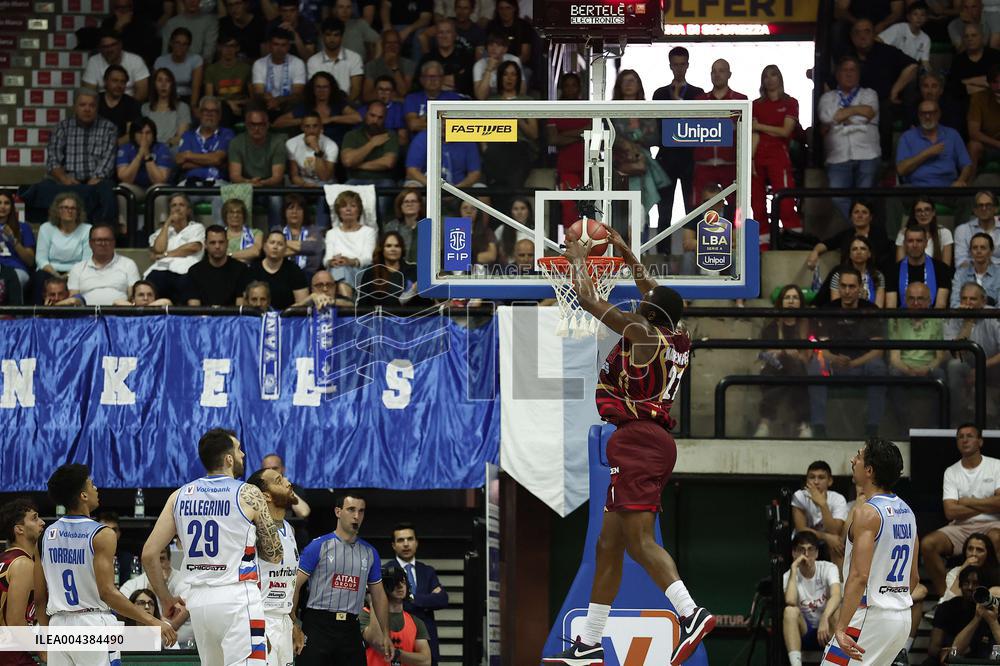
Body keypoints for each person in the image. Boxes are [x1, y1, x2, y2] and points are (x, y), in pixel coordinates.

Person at [541, 228, 714, 665]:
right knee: (607, 546)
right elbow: (652, 289)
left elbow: (586, 299)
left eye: (641, 304)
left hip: (637, 439)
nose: (636, 303)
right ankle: (590, 641)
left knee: (638, 542)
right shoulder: (678, 339)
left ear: (648, 313)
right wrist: (624, 253)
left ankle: (690, 614)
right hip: (650, 440)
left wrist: (578, 257)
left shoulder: (640, 332)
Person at [140, 428, 283, 665]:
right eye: (238, 450)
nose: (243, 454)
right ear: (228, 459)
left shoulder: (180, 496)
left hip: (199, 601)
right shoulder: (248, 493)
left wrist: (165, 599)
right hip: (237, 597)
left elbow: (148, 554)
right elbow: (275, 554)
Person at [38, 464, 177, 664]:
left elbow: (40, 598)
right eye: (91, 484)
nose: (96, 489)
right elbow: (108, 593)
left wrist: (45, 640)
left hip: (58, 625)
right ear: (83, 495)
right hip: (93, 624)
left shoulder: (44, 537)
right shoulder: (102, 534)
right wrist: (153, 621)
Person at [820, 437, 916, 664]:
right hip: (901, 618)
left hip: (869, 615)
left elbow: (859, 575)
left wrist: (841, 628)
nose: (853, 460)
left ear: (870, 470)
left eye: (859, 456)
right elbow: (913, 578)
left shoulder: (867, 512)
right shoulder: (907, 511)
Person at [293, 493, 393, 665]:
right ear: (338, 512)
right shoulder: (318, 546)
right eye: (351, 510)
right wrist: (293, 623)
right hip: (318, 625)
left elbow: (379, 595)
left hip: (350, 628)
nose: (356, 516)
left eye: (361, 511)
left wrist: (386, 634)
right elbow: (294, 585)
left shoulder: (370, 553)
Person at [807, 267, 887, 439]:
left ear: (859, 288)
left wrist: (855, 363)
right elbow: (821, 348)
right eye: (843, 286)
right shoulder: (828, 309)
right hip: (834, 364)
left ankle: (873, 428)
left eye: (851, 286)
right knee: (815, 365)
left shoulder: (871, 310)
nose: (847, 291)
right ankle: (818, 427)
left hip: (862, 363)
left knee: (878, 367)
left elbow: (878, 349)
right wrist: (834, 359)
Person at [922, 424, 1000, 595]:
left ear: (980, 441)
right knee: (928, 544)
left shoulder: (996, 466)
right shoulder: (951, 472)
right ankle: (947, 598)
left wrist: (966, 502)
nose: (964, 440)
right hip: (960, 526)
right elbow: (950, 511)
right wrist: (986, 503)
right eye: (960, 437)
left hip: (992, 524)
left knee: (997, 537)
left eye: (969, 436)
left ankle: (989, 594)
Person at [246, 467, 302, 666]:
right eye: (279, 481)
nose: (288, 483)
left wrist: (294, 623)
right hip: (260, 620)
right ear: (266, 496)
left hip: (283, 620)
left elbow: (291, 582)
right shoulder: (251, 531)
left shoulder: (290, 529)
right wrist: (255, 630)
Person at [817, 56, 881, 223]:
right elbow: (826, 117)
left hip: (868, 153)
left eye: (853, 70)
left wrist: (840, 117)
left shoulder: (870, 94)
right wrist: (856, 112)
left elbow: (868, 113)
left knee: (865, 198)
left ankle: (862, 232)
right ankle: (860, 228)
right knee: (837, 196)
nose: (849, 74)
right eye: (845, 70)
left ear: (859, 74)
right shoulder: (827, 98)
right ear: (837, 74)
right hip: (838, 156)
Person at [42, 88, 119, 224]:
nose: (87, 109)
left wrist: (96, 178)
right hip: (68, 180)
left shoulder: (109, 128)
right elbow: (53, 159)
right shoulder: (62, 128)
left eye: (91, 105)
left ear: (97, 108)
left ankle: (104, 232)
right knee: (46, 187)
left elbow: (109, 159)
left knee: (106, 191)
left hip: (98, 181)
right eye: (82, 105)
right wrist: (63, 178)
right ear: (75, 107)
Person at [652, 46, 706, 227]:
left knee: (692, 208)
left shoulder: (698, 93)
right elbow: (657, 125)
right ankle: (662, 253)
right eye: (676, 65)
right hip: (666, 156)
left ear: (688, 65)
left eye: (682, 64)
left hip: (690, 157)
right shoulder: (659, 94)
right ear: (670, 66)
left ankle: (693, 251)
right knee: (664, 209)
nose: (679, 68)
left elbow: (701, 125)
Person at [752, 64, 802, 247]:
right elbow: (753, 133)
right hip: (757, 154)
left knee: (785, 201)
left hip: (778, 155)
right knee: (757, 203)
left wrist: (760, 127)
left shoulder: (790, 102)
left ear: (780, 78)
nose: (770, 79)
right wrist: (750, 159)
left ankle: (795, 239)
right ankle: (762, 243)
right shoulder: (756, 105)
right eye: (766, 76)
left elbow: (785, 131)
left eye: (773, 75)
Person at [755, 284, 813, 438]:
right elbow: (765, 353)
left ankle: (765, 422)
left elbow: (808, 356)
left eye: (795, 298)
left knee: (794, 369)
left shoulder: (806, 325)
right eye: (787, 298)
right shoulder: (772, 326)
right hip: (776, 367)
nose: (791, 301)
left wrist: (788, 354)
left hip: (800, 368)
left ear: (800, 301)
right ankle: (802, 424)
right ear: (781, 302)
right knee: (774, 370)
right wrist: (785, 352)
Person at [692, 59, 748, 207]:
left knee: (735, 208)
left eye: (721, 70)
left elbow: (744, 132)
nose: (717, 74)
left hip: (730, 164)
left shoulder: (741, 100)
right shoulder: (700, 101)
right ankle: (698, 231)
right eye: (714, 71)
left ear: (729, 74)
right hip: (703, 165)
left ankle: (735, 232)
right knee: (699, 208)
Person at [390, 523, 447, 666]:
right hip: (398, 639)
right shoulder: (387, 571)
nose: (406, 544)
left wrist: (410, 598)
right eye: (400, 540)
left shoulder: (428, 571)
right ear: (393, 545)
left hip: (428, 641)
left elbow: (442, 600)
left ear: (417, 542)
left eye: (410, 539)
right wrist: (428, 601)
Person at [783, 531, 841, 666]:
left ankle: (836, 663)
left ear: (816, 553)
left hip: (827, 628)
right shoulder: (788, 576)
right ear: (794, 553)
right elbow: (790, 601)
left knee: (837, 610)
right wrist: (793, 567)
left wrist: (824, 618)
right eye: (801, 550)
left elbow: (837, 595)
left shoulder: (828, 568)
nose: (806, 554)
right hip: (805, 630)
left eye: (810, 550)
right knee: (789, 612)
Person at [0, 498, 46, 666]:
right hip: (9, 654)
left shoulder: (5, 560)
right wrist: (42, 651)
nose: (41, 523)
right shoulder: (23, 563)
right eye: (34, 518)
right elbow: (15, 621)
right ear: (19, 529)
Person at [945, 286, 1000, 424]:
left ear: (983, 301)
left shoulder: (993, 316)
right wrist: (967, 322)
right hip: (968, 367)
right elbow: (957, 354)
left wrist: (981, 368)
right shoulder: (956, 315)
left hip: (994, 366)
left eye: (973, 299)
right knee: (954, 366)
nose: (967, 303)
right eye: (964, 298)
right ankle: (957, 419)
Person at [360, 563, 433, 666]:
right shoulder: (365, 614)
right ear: (384, 586)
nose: (400, 586)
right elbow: (377, 641)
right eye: (394, 582)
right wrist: (374, 602)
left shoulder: (415, 622)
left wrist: (395, 653)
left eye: (403, 582)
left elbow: (425, 661)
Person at [227, 107, 287, 225]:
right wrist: (249, 183)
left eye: (261, 125)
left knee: (275, 199)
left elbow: (277, 177)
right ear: (246, 125)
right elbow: (235, 176)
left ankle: (276, 234)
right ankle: (242, 238)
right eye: (252, 125)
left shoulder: (277, 142)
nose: (257, 128)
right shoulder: (236, 142)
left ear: (268, 125)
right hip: (245, 187)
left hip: (270, 187)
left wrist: (260, 184)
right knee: (236, 200)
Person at [483, 60, 537, 189]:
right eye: (505, 74)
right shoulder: (491, 101)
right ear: (500, 77)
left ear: (518, 78)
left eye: (513, 74)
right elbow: (482, 130)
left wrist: (517, 117)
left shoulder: (527, 101)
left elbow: (534, 134)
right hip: (496, 148)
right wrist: (484, 148)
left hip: (520, 147)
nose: (509, 78)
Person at [928, 565, 999, 661]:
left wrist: (992, 621)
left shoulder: (991, 611)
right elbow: (953, 651)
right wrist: (977, 617)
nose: (970, 587)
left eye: (975, 583)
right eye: (966, 583)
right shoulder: (947, 607)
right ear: (960, 585)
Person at [144, 193, 206, 303]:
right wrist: (167, 224)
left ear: (188, 210)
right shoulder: (160, 232)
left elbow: (193, 247)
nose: (177, 208)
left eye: (181, 205)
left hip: (185, 272)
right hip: (160, 270)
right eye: (174, 205)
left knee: (189, 284)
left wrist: (166, 255)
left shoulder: (197, 228)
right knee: (148, 284)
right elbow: (158, 249)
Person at [896, 100, 973, 187]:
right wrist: (927, 153)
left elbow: (967, 165)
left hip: (948, 188)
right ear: (918, 115)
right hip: (916, 188)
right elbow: (901, 170)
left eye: (931, 113)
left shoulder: (952, 134)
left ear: (938, 114)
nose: (927, 116)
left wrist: (960, 181)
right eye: (923, 113)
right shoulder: (907, 137)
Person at [806, 199, 894, 275]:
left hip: (873, 277)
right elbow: (827, 244)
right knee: (835, 274)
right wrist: (815, 252)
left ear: (870, 217)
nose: (860, 216)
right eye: (856, 212)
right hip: (847, 278)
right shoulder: (846, 234)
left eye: (864, 212)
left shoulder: (879, 235)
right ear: (851, 216)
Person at [273, 71, 361, 146]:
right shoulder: (306, 106)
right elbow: (278, 123)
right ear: (313, 89)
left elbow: (357, 118)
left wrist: (331, 119)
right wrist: (305, 121)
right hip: (309, 149)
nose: (321, 90)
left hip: (337, 148)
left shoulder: (338, 104)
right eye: (318, 87)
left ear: (331, 89)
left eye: (325, 87)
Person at [791, 460, 849, 567]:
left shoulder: (838, 499)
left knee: (837, 544)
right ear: (807, 480)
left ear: (830, 481)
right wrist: (826, 537)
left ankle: (839, 582)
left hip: (828, 544)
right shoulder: (800, 496)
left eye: (821, 477)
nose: (816, 482)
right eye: (812, 477)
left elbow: (835, 530)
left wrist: (823, 504)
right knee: (805, 544)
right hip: (805, 540)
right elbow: (801, 530)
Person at [65, 224, 141, 305]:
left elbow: (133, 296)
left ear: (114, 242)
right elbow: (73, 299)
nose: (103, 243)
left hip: (119, 315)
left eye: (107, 240)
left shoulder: (128, 264)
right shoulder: (78, 268)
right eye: (98, 240)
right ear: (90, 243)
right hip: (87, 316)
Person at [886, 222, 954, 308]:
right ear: (904, 244)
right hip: (902, 320)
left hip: (933, 319)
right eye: (910, 241)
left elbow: (941, 305)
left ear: (926, 243)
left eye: (919, 241)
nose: (915, 245)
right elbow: (891, 307)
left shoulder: (941, 269)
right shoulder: (893, 271)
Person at [35, 192, 92, 289]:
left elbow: (86, 261)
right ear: (57, 210)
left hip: (77, 272)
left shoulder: (87, 229)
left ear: (78, 212)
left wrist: (68, 276)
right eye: (65, 207)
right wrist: (57, 276)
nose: (69, 211)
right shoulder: (46, 228)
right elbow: (41, 260)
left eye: (73, 208)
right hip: (49, 271)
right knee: (39, 278)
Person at [185, 224, 252, 306]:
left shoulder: (241, 269)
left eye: (221, 242)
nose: (217, 246)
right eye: (213, 243)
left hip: (232, 318)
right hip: (204, 317)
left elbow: (240, 308)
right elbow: (194, 308)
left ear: (227, 243)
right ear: (205, 244)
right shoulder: (194, 271)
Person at [324, 191, 377, 292]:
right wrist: (332, 262)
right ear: (338, 211)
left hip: (361, 271)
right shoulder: (331, 233)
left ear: (359, 210)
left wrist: (351, 261)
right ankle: (348, 302)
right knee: (339, 269)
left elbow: (369, 258)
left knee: (341, 270)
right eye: (344, 206)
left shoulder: (368, 232)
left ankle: (346, 303)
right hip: (336, 270)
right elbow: (327, 258)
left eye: (353, 206)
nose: (348, 209)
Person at [116, 117, 175, 204]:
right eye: (140, 133)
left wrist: (147, 154)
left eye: (148, 133)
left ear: (153, 135)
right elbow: (125, 178)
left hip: (154, 188)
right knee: (123, 189)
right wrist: (140, 155)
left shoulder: (162, 148)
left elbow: (160, 179)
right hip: (136, 188)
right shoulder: (125, 148)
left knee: (159, 191)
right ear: (134, 135)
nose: (144, 137)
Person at [82, 28, 150, 102]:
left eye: (113, 45)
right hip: (101, 108)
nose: (109, 50)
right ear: (100, 48)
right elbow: (88, 94)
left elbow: (142, 94)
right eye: (105, 47)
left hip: (130, 106)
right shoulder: (93, 61)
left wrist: (128, 108)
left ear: (120, 44)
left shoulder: (136, 60)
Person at [307, 17, 364, 104]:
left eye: (336, 35)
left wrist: (343, 107)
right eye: (328, 35)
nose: (332, 39)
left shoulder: (355, 58)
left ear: (342, 36)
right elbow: (314, 90)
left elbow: (356, 89)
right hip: (322, 106)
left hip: (348, 105)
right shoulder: (313, 61)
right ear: (322, 36)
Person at [818, 235, 886, 307]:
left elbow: (878, 308)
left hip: (869, 316)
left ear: (869, 254)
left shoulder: (878, 276)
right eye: (854, 249)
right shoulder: (838, 275)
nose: (858, 252)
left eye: (863, 249)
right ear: (849, 254)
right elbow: (837, 305)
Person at [252, 29, 307, 117]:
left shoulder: (297, 63)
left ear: (288, 46)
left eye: (283, 45)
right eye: (276, 44)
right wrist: (267, 98)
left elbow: (297, 93)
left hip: (288, 103)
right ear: (269, 46)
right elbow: (259, 92)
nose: (279, 49)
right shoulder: (259, 64)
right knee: (253, 103)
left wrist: (279, 100)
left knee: (298, 103)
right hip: (267, 103)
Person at [250, 230, 310, 309]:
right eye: (272, 242)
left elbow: (303, 304)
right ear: (264, 247)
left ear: (285, 249)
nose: (275, 247)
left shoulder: (294, 270)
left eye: (280, 244)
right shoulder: (253, 269)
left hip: (287, 318)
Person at [204, 32, 253, 126]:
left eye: (232, 46)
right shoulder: (211, 69)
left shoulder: (245, 68)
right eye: (225, 46)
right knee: (223, 109)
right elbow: (209, 98)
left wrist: (237, 102)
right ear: (219, 48)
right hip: (221, 106)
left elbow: (253, 98)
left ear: (237, 48)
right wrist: (228, 103)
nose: (229, 50)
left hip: (241, 104)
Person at [356, 232, 417, 306]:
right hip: (379, 316)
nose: (393, 249)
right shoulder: (371, 271)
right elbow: (363, 303)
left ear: (402, 249)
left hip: (411, 316)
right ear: (382, 249)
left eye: (397, 246)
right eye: (388, 246)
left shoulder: (413, 270)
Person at [416, 17, 474, 96]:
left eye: (448, 32)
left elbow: (467, 84)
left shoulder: (466, 57)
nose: (444, 36)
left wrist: (434, 81)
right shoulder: (427, 58)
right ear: (436, 35)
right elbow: (419, 84)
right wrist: (455, 78)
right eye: (441, 32)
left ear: (455, 35)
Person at [404, 61, 462, 134]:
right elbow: (413, 125)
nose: (432, 80)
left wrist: (424, 120)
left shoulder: (453, 98)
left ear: (442, 79)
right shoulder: (412, 98)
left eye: (436, 77)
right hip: (421, 143)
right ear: (421, 80)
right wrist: (441, 123)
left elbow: (455, 126)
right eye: (428, 77)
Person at [894, 197, 954, 267]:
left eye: (927, 209)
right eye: (919, 210)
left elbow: (945, 269)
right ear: (914, 214)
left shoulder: (945, 233)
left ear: (933, 212)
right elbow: (900, 267)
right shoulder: (903, 234)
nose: (923, 214)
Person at [277, 194, 326, 279]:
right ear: (284, 212)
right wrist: (305, 248)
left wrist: (283, 242)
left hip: (309, 274)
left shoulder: (315, 230)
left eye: (299, 209)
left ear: (304, 212)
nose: (294, 212)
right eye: (290, 208)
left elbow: (314, 249)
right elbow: (275, 253)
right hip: (282, 273)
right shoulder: (277, 229)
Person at [941, 533, 1000, 603]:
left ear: (988, 553)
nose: (973, 554)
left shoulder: (997, 574)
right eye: (970, 549)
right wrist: (961, 572)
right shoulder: (955, 572)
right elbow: (948, 602)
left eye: (979, 550)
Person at [142, 69, 191, 151]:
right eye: (159, 80)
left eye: (167, 81)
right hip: (148, 147)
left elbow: (181, 137)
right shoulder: (145, 108)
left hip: (170, 148)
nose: (163, 84)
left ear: (172, 85)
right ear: (154, 84)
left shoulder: (182, 107)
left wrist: (164, 146)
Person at [154, 27, 204, 108]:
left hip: (187, 98)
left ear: (189, 46)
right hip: (165, 97)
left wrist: (193, 106)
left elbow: (196, 87)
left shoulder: (196, 59)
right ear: (171, 43)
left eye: (185, 44)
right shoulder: (160, 61)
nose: (181, 46)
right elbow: (155, 86)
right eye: (177, 43)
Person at [965, 65, 1000, 180]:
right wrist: (997, 144)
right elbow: (974, 133)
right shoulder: (979, 97)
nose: (999, 87)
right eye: (995, 82)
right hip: (987, 144)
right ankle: (969, 189)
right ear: (989, 83)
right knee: (973, 146)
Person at [363, 29, 415, 103]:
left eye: (395, 43)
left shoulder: (408, 64)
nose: (392, 46)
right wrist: (392, 96)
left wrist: (394, 66)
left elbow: (404, 93)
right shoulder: (372, 65)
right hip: (377, 105)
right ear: (383, 45)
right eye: (388, 43)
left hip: (398, 106)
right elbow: (367, 96)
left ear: (400, 45)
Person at [954, 190, 1000, 268]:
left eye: (988, 205)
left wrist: (980, 262)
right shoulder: (962, 230)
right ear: (975, 210)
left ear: (996, 209)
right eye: (980, 205)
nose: (984, 208)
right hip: (971, 277)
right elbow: (960, 262)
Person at [879, 1, 932, 68]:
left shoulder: (926, 39)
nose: (919, 18)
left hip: (909, 70)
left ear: (926, 18)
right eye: (915, 14)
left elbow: (925, 62)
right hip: (890, 66)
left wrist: (930, 74)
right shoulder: (899, 28)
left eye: (922, 15)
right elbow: (878, 40)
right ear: (908, 17)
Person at [0, 190, 35, 291]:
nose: (2, 206)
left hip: (16, 269)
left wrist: (13, 240)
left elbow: (30, 261)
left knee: (12, 281)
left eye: (6, 203)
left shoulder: (23, 227)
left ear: (12, 207)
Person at [260, 453, 312, 519]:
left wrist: (286, 489)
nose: (271, 472)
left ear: (283, 469)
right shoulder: (257, 490)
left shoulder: (295, 489)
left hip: (293, 527)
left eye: (275, 468)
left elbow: (304, 513)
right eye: (267, 469)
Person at [97, 65, 141, 142]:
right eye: (115, 81)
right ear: (105, 81)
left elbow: (131, 134)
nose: (119, 85)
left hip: (120, 148)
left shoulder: (131, 104)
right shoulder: (95, 100)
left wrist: (111, 146)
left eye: (122, 82)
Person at [383, 189, 425, 264]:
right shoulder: (391, 226)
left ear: (420, 205)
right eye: (406, 201)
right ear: (400, 206)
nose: (409, 204)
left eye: (413, 201)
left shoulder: (428, 226)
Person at [221, 198, 263, 263]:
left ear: (243, 215)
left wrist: (229, 255)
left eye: (239, 212)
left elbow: (255, 252)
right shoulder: (219, 235)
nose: (235, 215)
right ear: (225, 215)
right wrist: (244, 255)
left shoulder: (256, 233)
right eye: (231, 212)